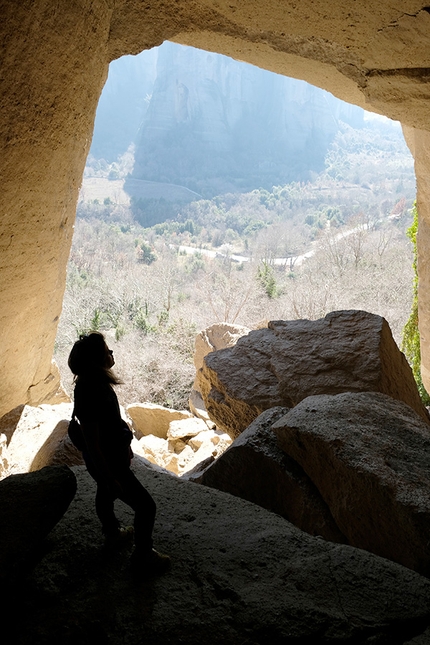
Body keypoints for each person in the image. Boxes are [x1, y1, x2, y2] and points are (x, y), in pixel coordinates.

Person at [68, 331, 170, 574]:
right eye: (107, 351)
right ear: (97, 360)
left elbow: (108, 427)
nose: (111, 353)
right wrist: (109, 475)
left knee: (105, 493)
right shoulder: (92, 391)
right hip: (107, 461)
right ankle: (143, 555)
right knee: (146, 507)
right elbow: (94, 442)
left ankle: (112, 533)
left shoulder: (91, 384)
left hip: (106, 459)